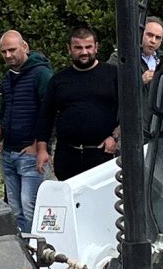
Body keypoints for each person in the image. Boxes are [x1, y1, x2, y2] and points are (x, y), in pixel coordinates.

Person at [0, 30, 53, 233]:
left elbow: (51, 111)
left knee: (31, 207)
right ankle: (23, 251)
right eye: (3, 52)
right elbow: (4, 112)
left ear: (24, 47)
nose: (8, 55)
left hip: (30, 154)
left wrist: (38, 146)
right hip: (9, 153)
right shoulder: (8, 78)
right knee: (14, 210)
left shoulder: (42, 74)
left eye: (12, 50)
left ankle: (41, 252)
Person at [42, 25, 120, 180]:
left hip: (102, 155)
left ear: (96, 47)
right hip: (67, 156)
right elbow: (45, 116)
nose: (84, 52)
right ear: (69, 49)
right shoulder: (58, 80)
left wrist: (115, 137)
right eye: (78, 47)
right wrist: (42, 149)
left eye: (88, 47)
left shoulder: (113, 75)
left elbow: (130, 111)